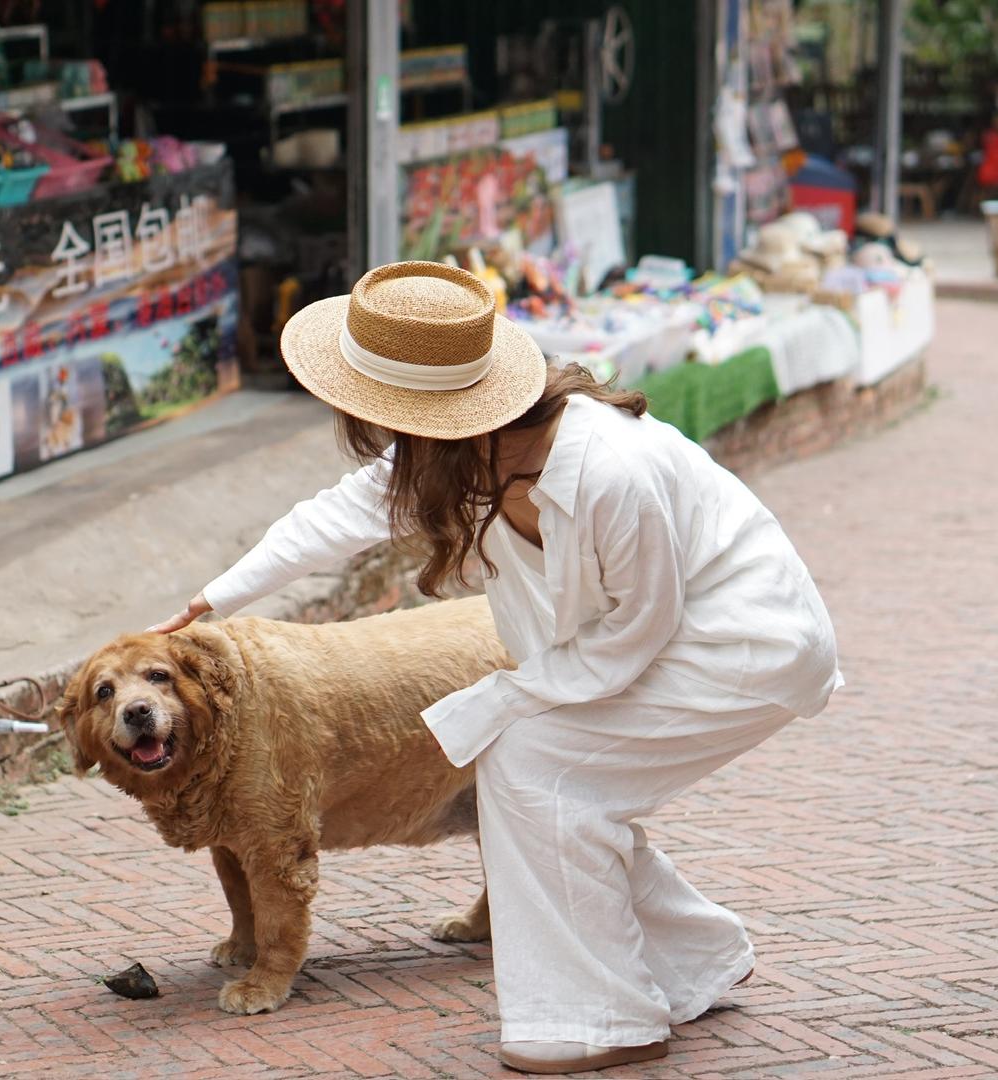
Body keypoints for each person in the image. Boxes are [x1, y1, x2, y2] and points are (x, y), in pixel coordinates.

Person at [150, 261, 842, 1075]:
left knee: (536, 768)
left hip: (740, 645)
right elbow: (338, 515)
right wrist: (211, 600)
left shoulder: (609, 469)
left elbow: (640, 628)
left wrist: (510, 697)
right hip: (642, 644)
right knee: (548, 778)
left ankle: (610, 1019)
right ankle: (692, 961)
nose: (377, 435)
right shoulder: (459, 454)